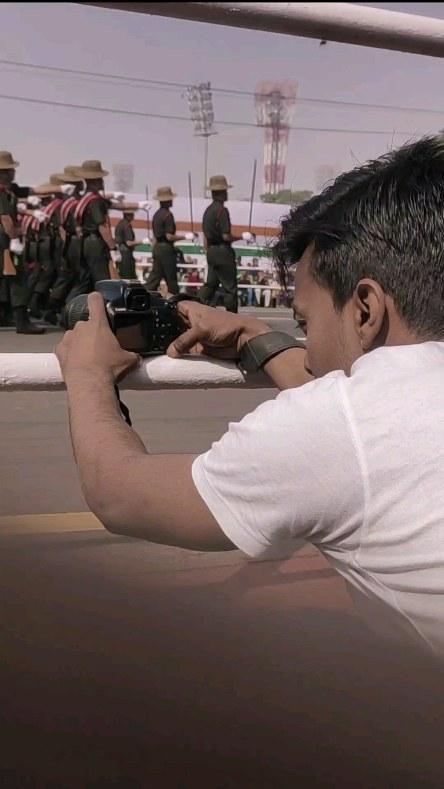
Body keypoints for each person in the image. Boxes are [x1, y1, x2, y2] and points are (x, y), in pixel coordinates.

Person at [56, 135, 444, 655]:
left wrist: (85, 374)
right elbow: (385, 422)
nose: (307, 353)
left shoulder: (336, 425)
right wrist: (251, 335)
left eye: (306, 323)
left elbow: (119, 493)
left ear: (366, 308)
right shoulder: (391, 403)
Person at [198, 175, 252, 314]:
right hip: (223, 252)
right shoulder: (222, 211)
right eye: (225, 191)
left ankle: (196, 305)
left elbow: (205, 236)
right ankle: (232, 316)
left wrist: (208, 252)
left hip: (212, 251)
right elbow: (226, 236)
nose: (227, 193)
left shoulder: (208, 211)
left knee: (211, 284)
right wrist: (242, 236)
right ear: (221, 193)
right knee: (230, 288)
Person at [145, 186, 194, 295]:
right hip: (166, 249)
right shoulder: (168, 215)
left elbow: (156, 236)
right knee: (171, 277)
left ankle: (144, 293)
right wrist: (185, 237)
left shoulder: (156, 215)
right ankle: (175, 299)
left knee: (155, 276)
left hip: (157, 248)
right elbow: (169, 236)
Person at [115, 210, 138, 279]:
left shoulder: (120, 224)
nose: (133, 216)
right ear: (128, 215)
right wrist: (143, 241)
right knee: (129, 276)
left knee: (123, 275)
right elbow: (129, 243)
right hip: (126, 254)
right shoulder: (127, 225)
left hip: (120, 252)